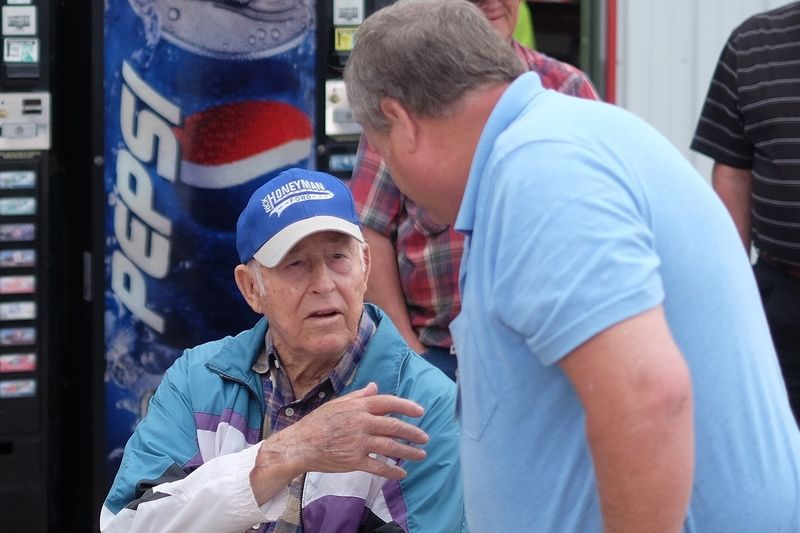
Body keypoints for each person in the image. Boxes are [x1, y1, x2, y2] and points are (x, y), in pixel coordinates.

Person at [344, 1, 800, 531]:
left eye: (383, 150)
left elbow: (647, 398)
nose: (393, 175)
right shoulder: (549, 145)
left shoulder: (538, 171)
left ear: (401, 123)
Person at [99, 168, 466, 532]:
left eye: (338, 257)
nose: (324, 284)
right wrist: (285, 454)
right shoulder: (196, 381)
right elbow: (127, 525)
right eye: (295, 264)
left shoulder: (425, 405)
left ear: (365, 266)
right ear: (250, 288)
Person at [349, 0, 599, 380]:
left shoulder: (566, 88)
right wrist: (410, 358)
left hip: (540, 358)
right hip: (436, 354)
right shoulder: (405, 91)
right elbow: (369, 227)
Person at [691, 2, 800, 426]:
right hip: (782, 303)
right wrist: (730, 293)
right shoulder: (753, 42)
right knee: (779, 460)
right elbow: (734, 174)